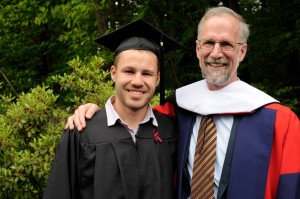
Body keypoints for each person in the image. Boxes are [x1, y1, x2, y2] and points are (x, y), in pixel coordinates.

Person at [66, 7, 300, 199]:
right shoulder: (178, 106)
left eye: (227, 44)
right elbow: (131, 116)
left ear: (243, 51)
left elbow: (291, 187)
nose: (216, 53)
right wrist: (93, 112)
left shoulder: (279, 120)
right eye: (208, 43)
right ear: (198, 48)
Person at [43, 19, 181, 199]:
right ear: (113, 73)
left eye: (147, 73)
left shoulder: (170, 131)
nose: (137, 81)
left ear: (157, 79)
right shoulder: (82, 132)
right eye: (129, 71)